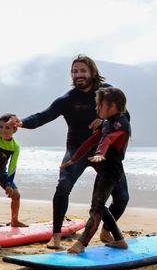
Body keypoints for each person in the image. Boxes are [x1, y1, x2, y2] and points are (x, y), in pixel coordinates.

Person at [8, 54, 130, 249]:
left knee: (122, 198)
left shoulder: (107, 93)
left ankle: (106, 229)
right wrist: (22, 123)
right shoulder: (68, 99)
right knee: (63, 187)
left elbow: (124, 115)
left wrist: (105, 122)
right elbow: (43, 116)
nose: (78, 74)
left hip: (103, 152)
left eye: (82, 70)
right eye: (74, 71)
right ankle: (55, 236)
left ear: (92, 72)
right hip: (76, 151)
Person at [61, 87, 131, 253]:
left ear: (112, 105)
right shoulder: (107, 122)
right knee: (99, 206)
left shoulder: (120, 122)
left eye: (99, 105)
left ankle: (81, 244)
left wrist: (100, 153)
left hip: (112, 169)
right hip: (105, 168)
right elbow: (91, 140)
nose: (96, 108)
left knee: (96, 207)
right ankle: (120, 240)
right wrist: (73, 160)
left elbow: (108, 139)